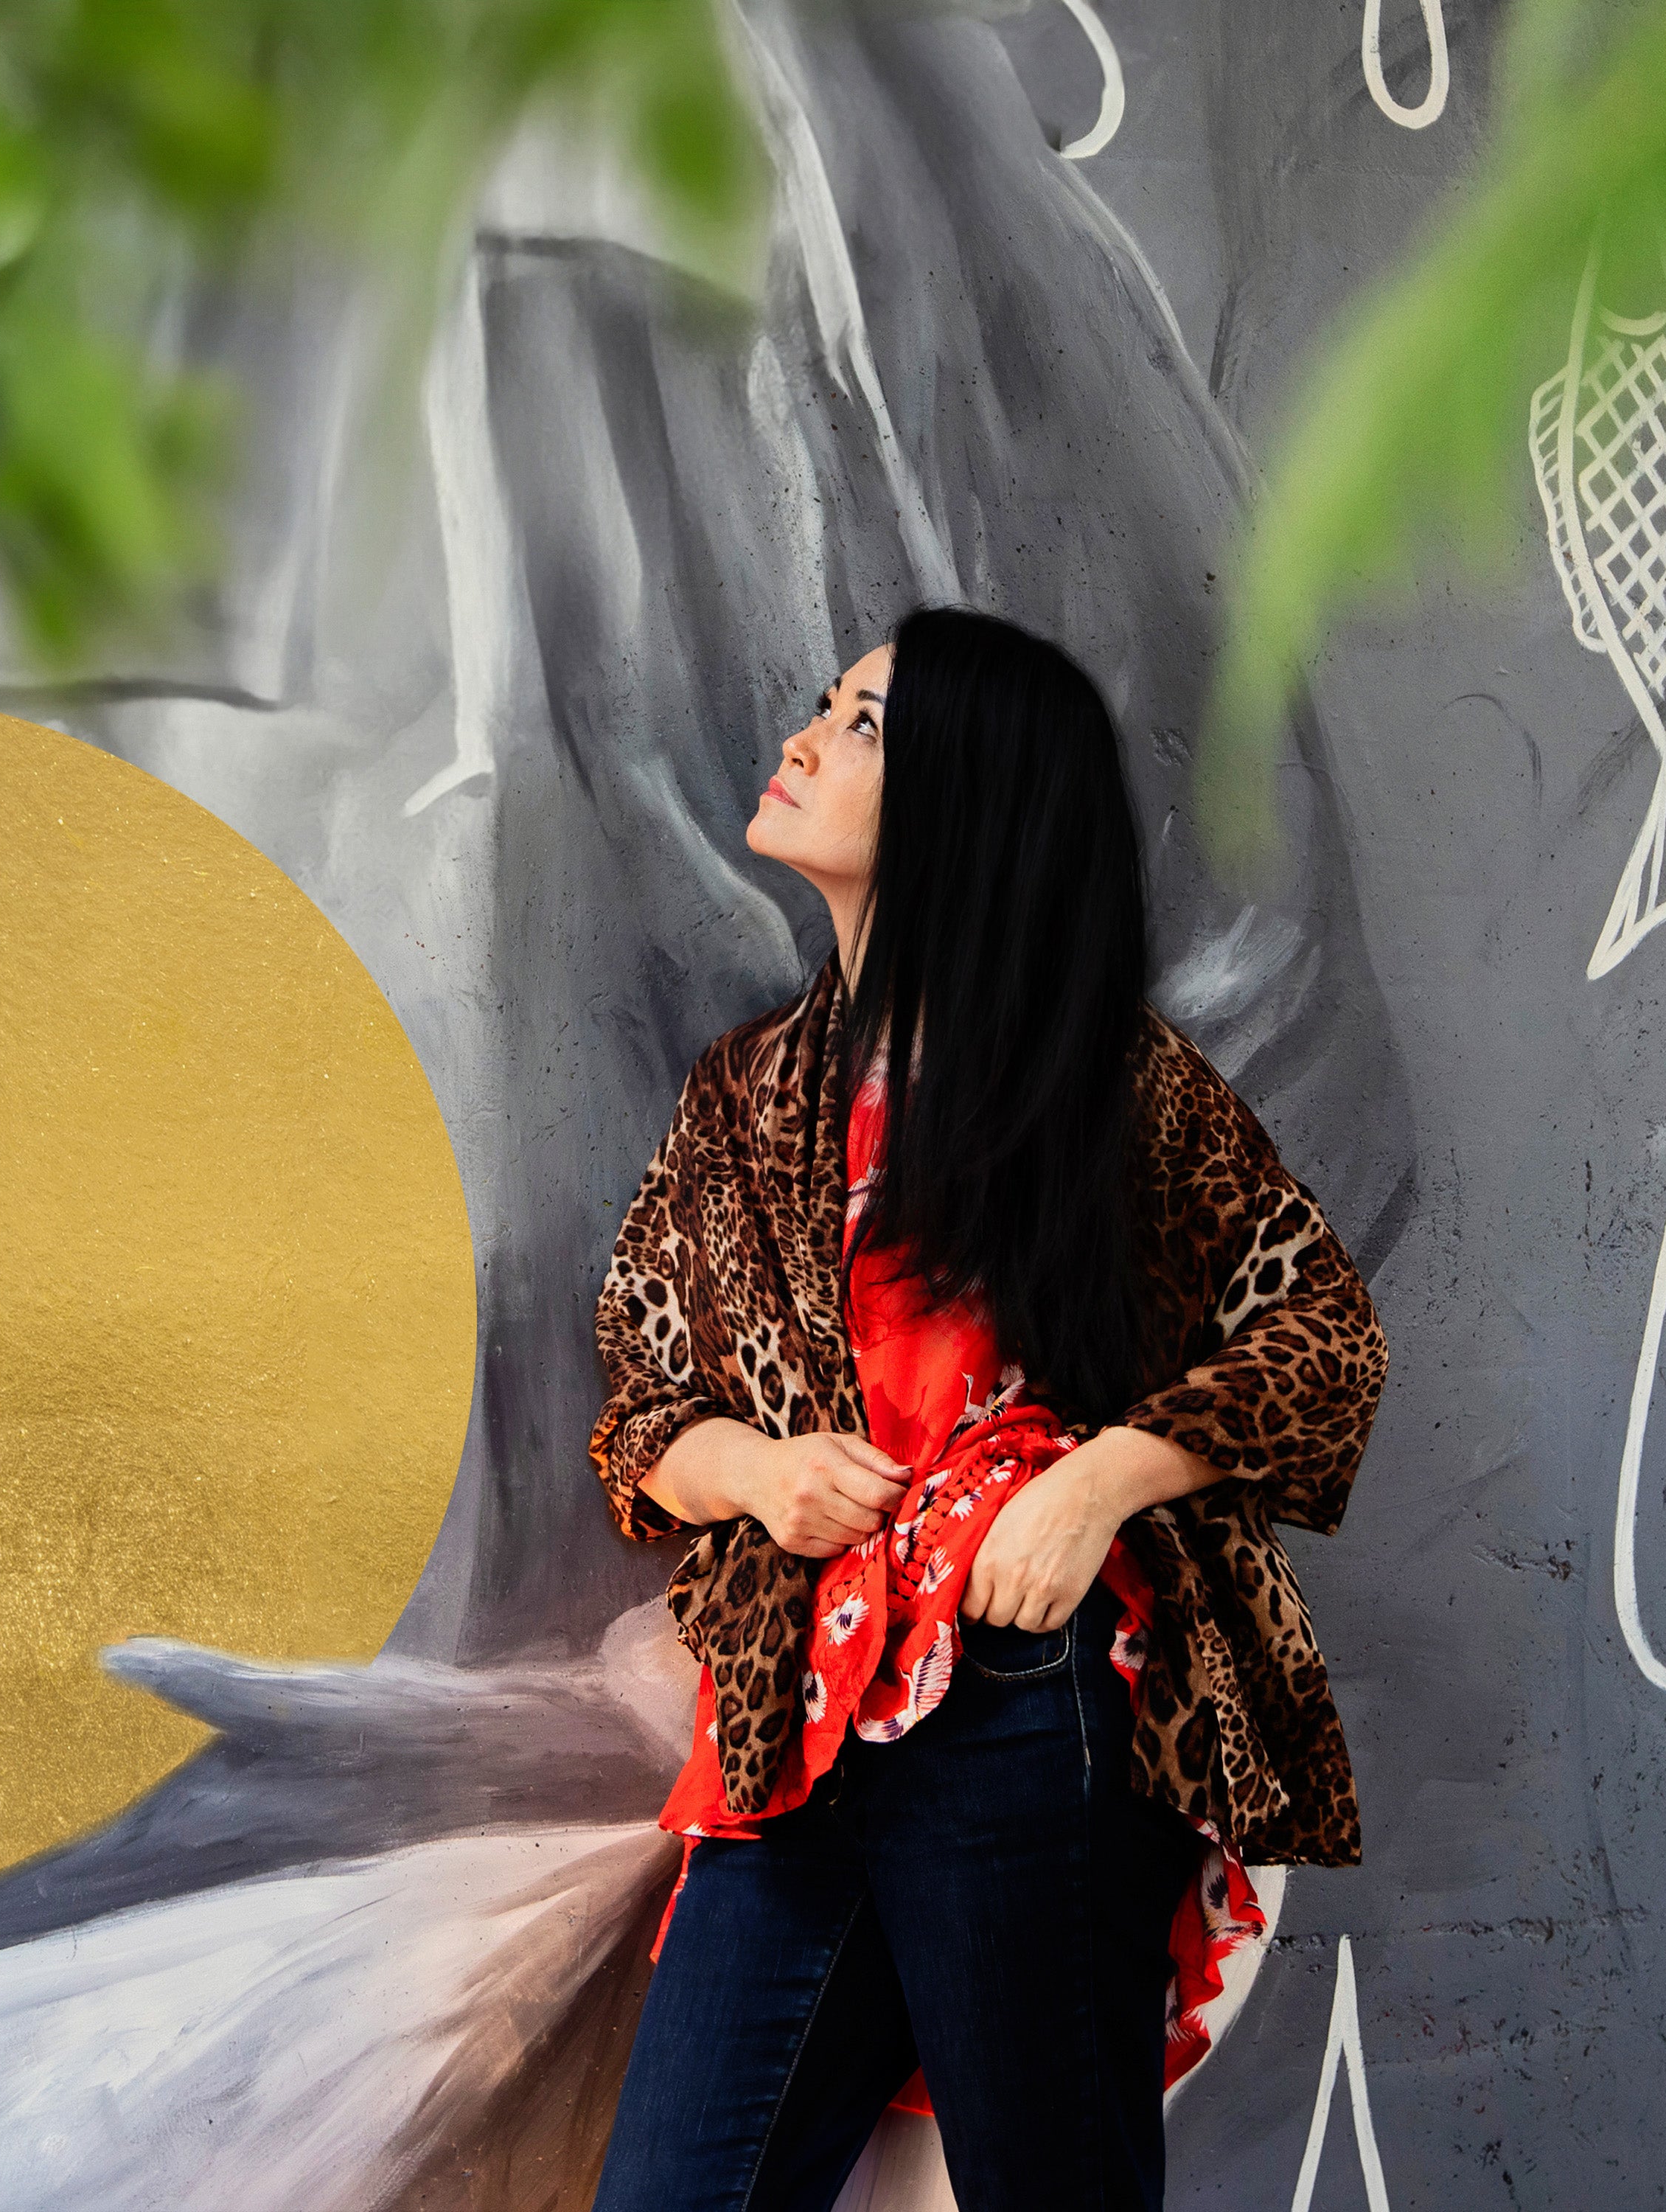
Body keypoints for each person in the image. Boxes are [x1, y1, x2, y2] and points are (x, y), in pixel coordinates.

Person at [585, 605, 1390, 2212]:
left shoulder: (1109, 1082)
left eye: (869, 724)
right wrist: (757, 1472)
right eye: (829, 707)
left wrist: (1096, 1486)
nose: (808, 737)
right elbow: (639, 1397)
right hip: (793, 1723)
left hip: (1031, 1698)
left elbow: (1322, 1335)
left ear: (971, 791)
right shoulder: (744, 1096)